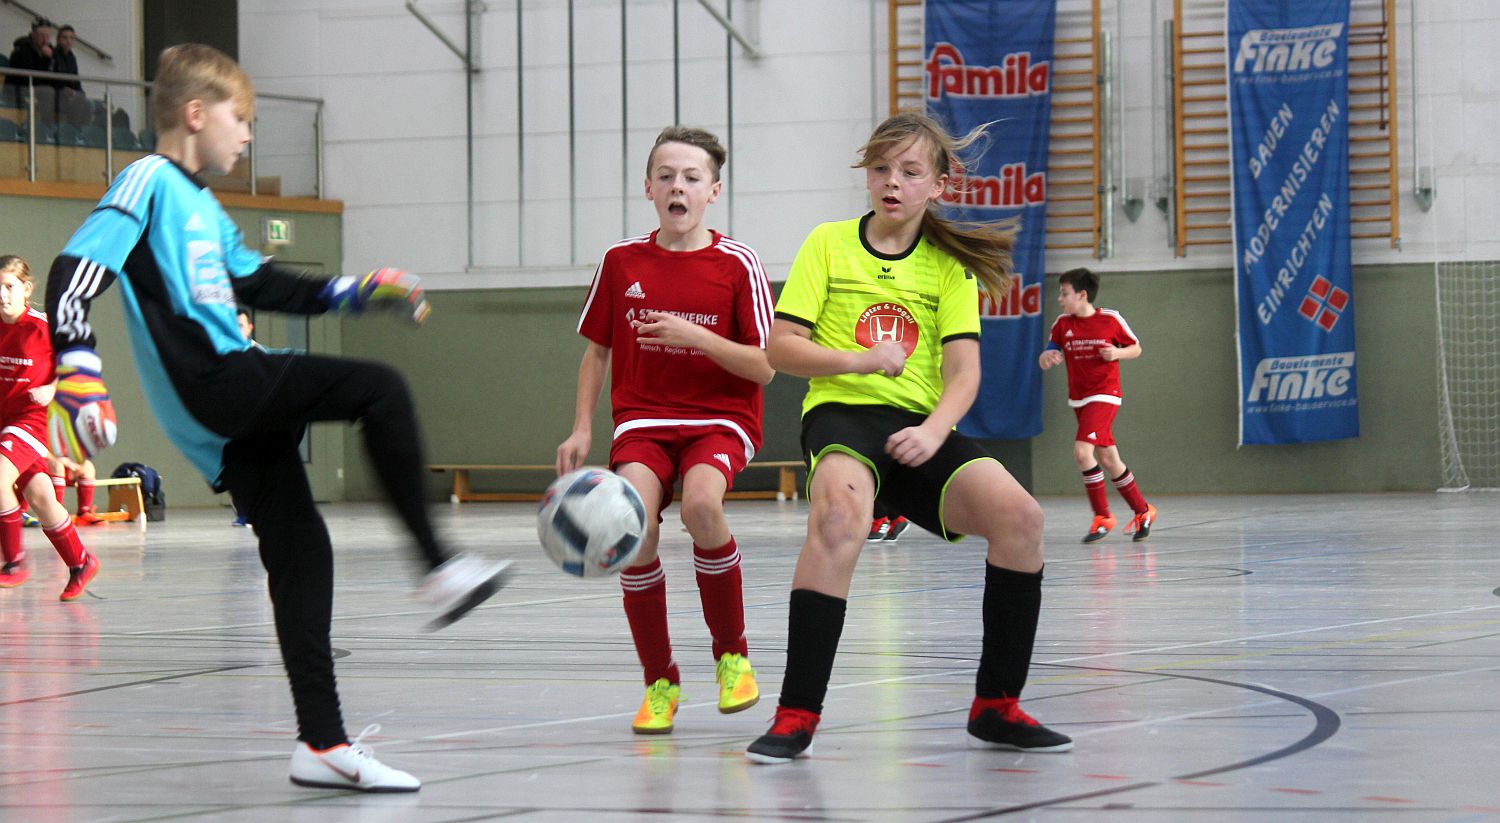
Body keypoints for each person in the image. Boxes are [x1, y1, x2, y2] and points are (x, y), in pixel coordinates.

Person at [44, 43, 511, 793]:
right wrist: (80, 371)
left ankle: (321, 743)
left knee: (302, 551)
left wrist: (358, 290)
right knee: (381, 389)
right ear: (196, 114)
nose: (249, 134)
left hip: (230, 412)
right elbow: (72, 275)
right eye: (243, 118)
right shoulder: (147, 181)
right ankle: (440, 564)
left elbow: (260, 281)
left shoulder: (202, 206)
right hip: (222, 380)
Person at [744, 112, 1072, 764]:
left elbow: (964, 372)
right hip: (843, 416)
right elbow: (782, 348)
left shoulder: (949, 268)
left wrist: (932, 430)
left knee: (1023, 519)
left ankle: (996, 705)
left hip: (919, 427)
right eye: (880, 169)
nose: (891, 182)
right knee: (840, 519)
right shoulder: (828, 244)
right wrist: (862, 361)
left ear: (937, 186)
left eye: (909, 171)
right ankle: (796, 714)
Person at [557, 125, 774, 735]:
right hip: (644, 420)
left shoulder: (739, 264)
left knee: (703, 506)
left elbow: (765, 364)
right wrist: (579, 428)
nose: (678, 186)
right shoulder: (622, 261)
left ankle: (732, 656)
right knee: (635, 532)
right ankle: (660, 681)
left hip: (720, 420)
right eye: (667, 176)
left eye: (692, 177)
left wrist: (696, 336)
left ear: (713, 191)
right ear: (648, 187)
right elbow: (597, 352)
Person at [0, 255, 100, 600]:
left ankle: (14, 563)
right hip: (4, 421)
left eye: (9, 286)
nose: (2, 294)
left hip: (31, 420)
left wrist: (53, 388)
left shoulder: (44, 327)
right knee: (42, 500)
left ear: (26, 289)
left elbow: (79, 369)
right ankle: (81, 561)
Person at [1038, 268, 1157, 543]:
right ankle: (1143, 511)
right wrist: (1047, 358)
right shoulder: (1062, 324)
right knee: (1108, 459)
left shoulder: (1110, 320)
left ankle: (1102, 515)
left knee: (1082, 452)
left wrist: (1117, 352)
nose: (1060, 298)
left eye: (1064, 293)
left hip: (1105, 395)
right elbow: (1048, 351)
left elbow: (1136, 348)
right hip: (1079, 398)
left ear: (1082, 295)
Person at [5, 20, 55, 114]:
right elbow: (31, 78)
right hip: (19, 90)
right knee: (48, 93)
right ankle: (44, 126)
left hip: (39, 91)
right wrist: (46, 59)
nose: (45, 40)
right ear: (33, 35)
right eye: (42, 36)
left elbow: (55, 75)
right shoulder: (21, 51)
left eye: (47, 36)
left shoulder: (52, 51)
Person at [49, 24, 89, 127]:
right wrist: (63, 88)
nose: (68, 41)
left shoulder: (72, 58)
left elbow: (76, 81)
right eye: (65, 37)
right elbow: (49, 78)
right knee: (78, 100)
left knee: (85, 100)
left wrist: (78, 92)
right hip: (56, 92)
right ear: (58, 39)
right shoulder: (52, 54)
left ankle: (77, 132)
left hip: (69, 94)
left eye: (71, 38)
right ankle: (73, 129)